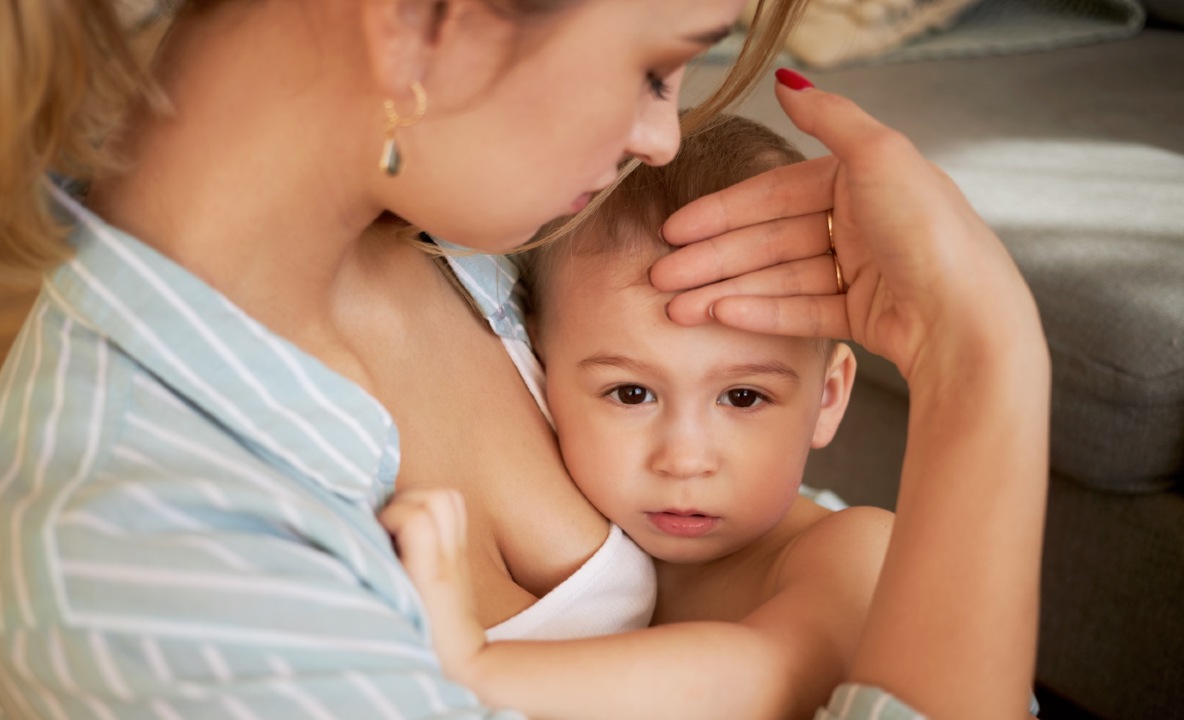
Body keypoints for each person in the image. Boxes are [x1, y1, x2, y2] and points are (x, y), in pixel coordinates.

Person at [0, 0, 1050, 715]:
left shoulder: (499, 253)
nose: (660, 136)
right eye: (655, 65)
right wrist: (984, 372)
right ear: (420, 22)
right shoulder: (141, 561)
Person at [382, 113, 900, 720]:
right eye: (631, 394)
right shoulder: (606, 540)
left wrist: (475, 667)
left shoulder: (857, 550)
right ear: (540, 372)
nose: (683, 458)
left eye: (742, 398)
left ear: (828, 398)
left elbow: (767, 675)